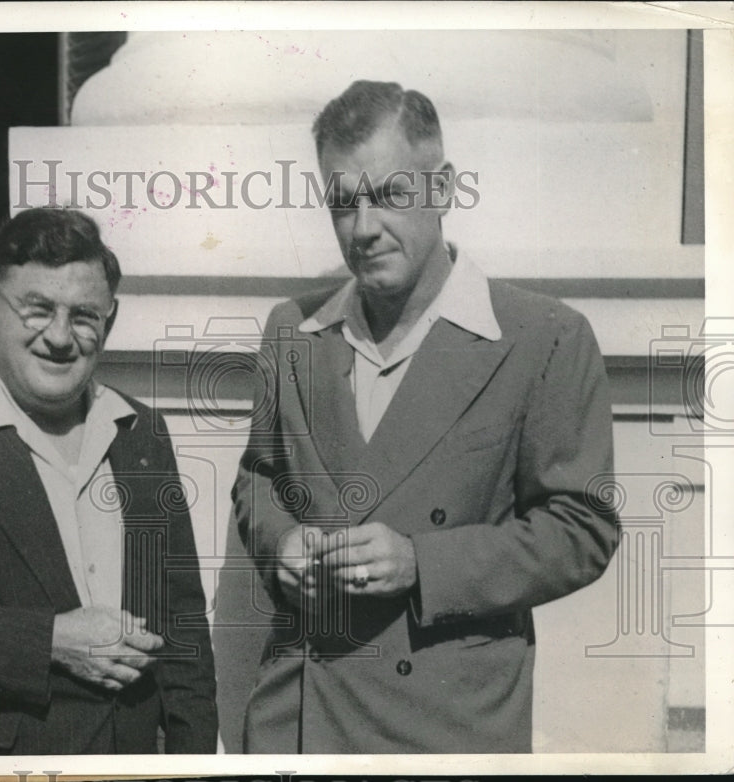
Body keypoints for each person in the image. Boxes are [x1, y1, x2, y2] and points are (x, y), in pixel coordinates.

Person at [233, 80, 619, 754]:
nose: (363, 228)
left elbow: (582, 528)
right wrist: (281, 543)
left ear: (441, 189)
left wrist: (422, 562)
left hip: (446, 724)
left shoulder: (543, 337)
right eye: (342, 203)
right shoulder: (291, 330)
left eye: (388, 196)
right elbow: (259, 479)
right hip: (300, 716)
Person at [0, 207, 218, 755]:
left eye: (83, 316)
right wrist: (49, 640)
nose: (59, 337)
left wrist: (194, 761)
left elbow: (183, 620)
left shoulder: (142, 433)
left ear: (110, 320)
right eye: (37, 309)